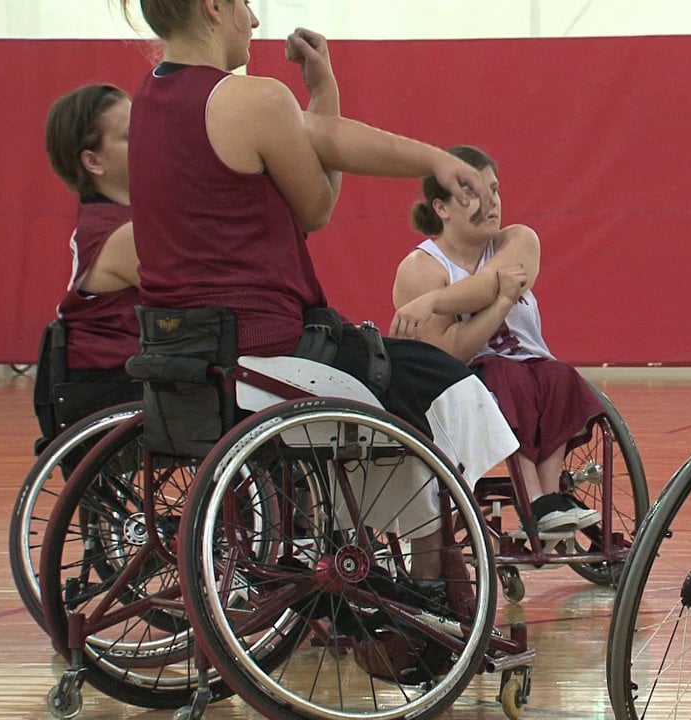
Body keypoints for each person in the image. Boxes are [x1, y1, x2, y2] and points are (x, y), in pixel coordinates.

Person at [117, 0, 517, 584]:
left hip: (182, 343)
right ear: (213, 7)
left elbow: (317, 140)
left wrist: (322, 89)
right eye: (246, 6)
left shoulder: (146, 103)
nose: (253, 21)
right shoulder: (250, 98)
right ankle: (434, 573)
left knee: (387, 376)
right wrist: (436, 159)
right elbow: (318, 204)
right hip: (262, 342)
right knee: (436, 378)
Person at [392, 146, 606, 533]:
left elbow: (485, 285)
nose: (491, 203)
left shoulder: (519, 240)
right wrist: (504, 301)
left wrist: (436, 301)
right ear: (442, 208)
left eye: (495, 190)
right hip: (463, 382)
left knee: (560, 375)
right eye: (473, 193)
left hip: (534, 371)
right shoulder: (420, 268)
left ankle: (550, 495)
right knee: (505, 377)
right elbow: (451, 353)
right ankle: (537, 500)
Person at [34, 83, 143, 450]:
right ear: (94, 161)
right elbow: (205, 292)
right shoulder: (122, 233)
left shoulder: (115, 219)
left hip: (115, 380)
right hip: (112, 388)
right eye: (131, 136)